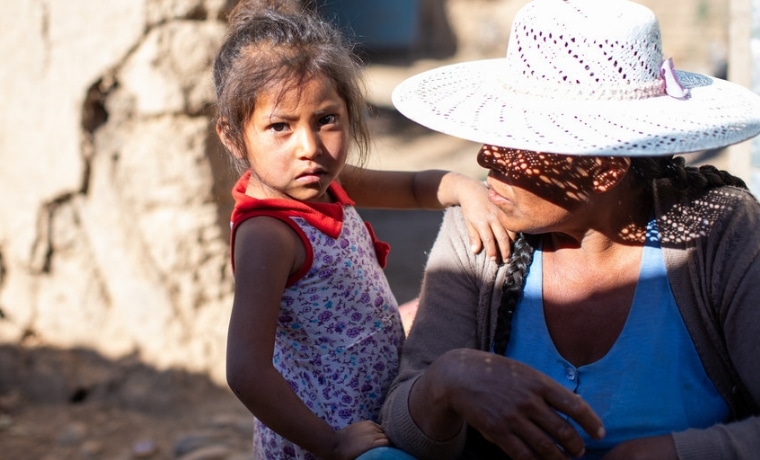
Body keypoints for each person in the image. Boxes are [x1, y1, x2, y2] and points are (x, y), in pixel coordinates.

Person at [371, 0, 760, 459]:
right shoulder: (480, 223)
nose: (485, 161)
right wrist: (446, 381)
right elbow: (402, 428)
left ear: (603, 171)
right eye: (494, 137)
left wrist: (672, 452)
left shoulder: (719, 233)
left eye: (520, 145)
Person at [212, 2, 512, 459]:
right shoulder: (268, 235)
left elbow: (414, 187)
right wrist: (329, 443)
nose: (309, 147)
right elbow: (246, 370)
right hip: (332, 437)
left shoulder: (327, 182)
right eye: (280, 127)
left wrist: (462, 188)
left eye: (326, 119)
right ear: (233, 136)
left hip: (376, 409)